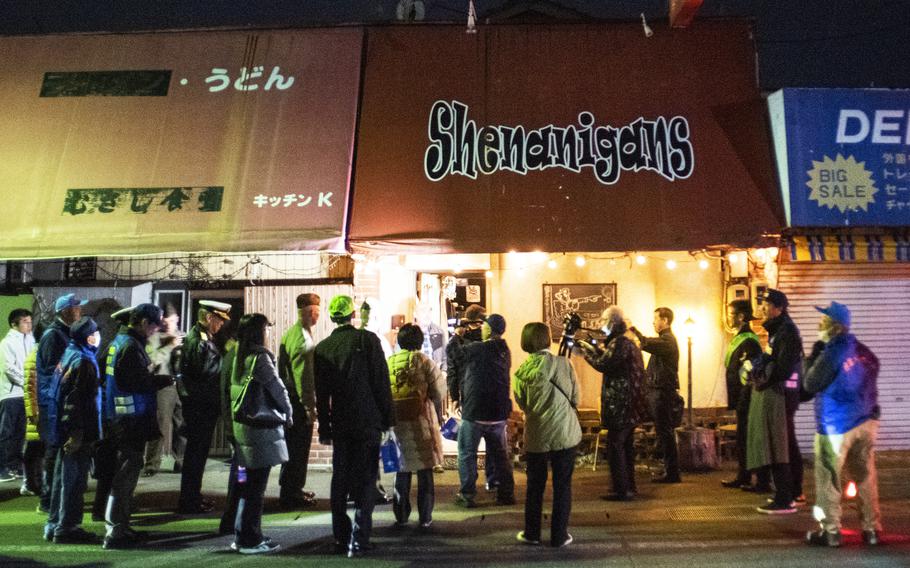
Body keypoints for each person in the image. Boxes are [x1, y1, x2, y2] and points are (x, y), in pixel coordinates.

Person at [314, 295, 394, 558]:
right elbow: (381, 383)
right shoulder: (367, 341)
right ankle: (360, 537)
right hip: (368, 420)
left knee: (340, 477)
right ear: (353, 315)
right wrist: (388, 420)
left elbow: (321, 394)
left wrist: (325, 427)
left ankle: (341, 535)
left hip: (341, 422)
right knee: (366, 478)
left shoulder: (323, 348)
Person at [803, 302, 882, 547]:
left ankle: (831, 531)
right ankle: (871, 530)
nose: (819, 325)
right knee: (865, 476)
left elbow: (810, 383)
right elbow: (874, 368)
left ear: (836, 327)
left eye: (823, 321)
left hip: (836, 425)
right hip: (865, 421)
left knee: (829, 477)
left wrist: (814, 355)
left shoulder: (832, 351)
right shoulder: (862, 351)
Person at [102, 304, 174, 549]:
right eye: (155, 324)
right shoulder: (130, 347)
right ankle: (115, 531)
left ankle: (120, 525)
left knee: (126, 473)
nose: (156, 330)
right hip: (129, 420)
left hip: (122, 418)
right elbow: (137, 381)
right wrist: (162, 379)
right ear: (144, 322)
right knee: (125, 475)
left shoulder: (118, 342)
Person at [514, 322, 582, 548]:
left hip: (537, 435)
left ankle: (532, 533)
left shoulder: (521, 372)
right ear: (547, 339)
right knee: (563, 485)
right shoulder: (564, 364)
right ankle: (559, 535)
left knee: (535, 485)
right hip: (564, 432)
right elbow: (575, 398)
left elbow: (523, 405)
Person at [229, 314, 292, 554]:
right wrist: (289, 412)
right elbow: (277, 388)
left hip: (241, 432)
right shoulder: (260, 359)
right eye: (267, 329)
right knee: (256, 487)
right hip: (259, 435)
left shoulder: (234, 356)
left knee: (244, 485)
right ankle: (251, 539)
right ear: (259, 332)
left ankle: (242, 533)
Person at [44, 317, 102, 544]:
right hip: (77, 432)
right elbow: (76, 401)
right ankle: (68, 527)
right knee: (74, 480)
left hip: (61, 429)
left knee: (61, 478)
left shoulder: (69, 355)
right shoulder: (84, 361)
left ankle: (54, 523)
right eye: (96, 332)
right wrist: (76, 434)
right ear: (89, 337)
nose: (98, 336)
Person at [746, 288, 803, 514]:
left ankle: (786, 496)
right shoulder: (778, 330)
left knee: (781, 446)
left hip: (783, 396)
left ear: (778, 308)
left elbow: (783, 367)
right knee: (786, 444)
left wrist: (763, 378)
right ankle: (791, 492)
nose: (762, 308)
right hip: (781, 394)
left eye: (766, 304)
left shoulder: (786, 332)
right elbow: (770, 358)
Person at [582, 307, 646, 501]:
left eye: (603, 320)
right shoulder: (627, 343)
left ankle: (621, 489)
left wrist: (586, 353)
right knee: (625, 446)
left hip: (621, 404)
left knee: (615, 446)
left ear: (612, 322)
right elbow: (608, 359)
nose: (600, 323)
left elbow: (604, 364)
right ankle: (629, 486)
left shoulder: (620, 343)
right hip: (631, 404)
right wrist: (595, 350)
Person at [387, 323, 445, 529]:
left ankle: (401, 515)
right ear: (420, 341)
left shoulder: (390, 362)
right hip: (421, 422)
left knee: (402, 470)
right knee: (424, 472)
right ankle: (425, 517)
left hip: (397, 424)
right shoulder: (425, 362)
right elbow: (439, 392)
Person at [455, 313, 515, 508]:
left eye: (484, 326)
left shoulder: (479, 348)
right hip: (498, 413)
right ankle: (506, 492)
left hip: (475, 411)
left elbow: (455, 353)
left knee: (467, 453)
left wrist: (458, 334)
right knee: (500, 455)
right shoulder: (504, 350)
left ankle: (467, 494)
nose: (481, 328)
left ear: (489, 328)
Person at [177, 300, 231, 515]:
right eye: (219, 320)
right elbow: (208, 373)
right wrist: (226, 358)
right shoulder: (200, 342)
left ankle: (193, 497)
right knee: (196, 456)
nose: (221, 326)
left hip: (199, 405)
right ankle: (189, 501)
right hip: (201, 406)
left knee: (197, 455)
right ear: (209, 318)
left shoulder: (202, 339)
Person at [36, 294, 85, 512]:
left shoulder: (66, 334)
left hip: (60, 401)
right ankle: (47, 500)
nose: (80, 311)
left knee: (61, 449)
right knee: (54, 449)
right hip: (53, 403)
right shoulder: (53, 336)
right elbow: (49, 373)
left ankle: (56, 498)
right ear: (65, 311)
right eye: (76, 308)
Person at [277, 293, 321, 509]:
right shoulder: (304, 340)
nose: (318, 317)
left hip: (290, 401)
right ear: (311, 312)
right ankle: (292, 493)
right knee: (298, 449)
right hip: (298, 403)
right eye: (317, 312)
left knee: (292, 448)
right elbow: (305, 379)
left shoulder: (290, 334)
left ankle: (291, 488)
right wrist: (310, 408)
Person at [719, 300, 769, 491]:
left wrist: (743, 396)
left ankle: (756, 478)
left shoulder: (749, 340)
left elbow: (749, 371)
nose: (728, 317)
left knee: (751, 438)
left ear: (741, 316)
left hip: (746, 397)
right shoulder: (739, 337)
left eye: (731, 314)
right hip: (739, 397)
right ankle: (744, 475)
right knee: (743, 438)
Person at [631, 307, 681, 483]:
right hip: (657, 391)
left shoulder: (668, 341)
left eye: (656, 318)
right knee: (663, 432)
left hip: (663, 392)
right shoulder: (664, 340)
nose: (653, 322)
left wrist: (633, 330)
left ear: (665, 320)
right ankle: (669, 470)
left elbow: (645, 342)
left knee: (665, 432)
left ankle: (672, 473)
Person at [143, 308, 185, 477]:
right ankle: (152, 464)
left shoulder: (183, 336)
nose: (169, 325)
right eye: (165, 322)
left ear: (177, 319)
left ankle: (181, 461)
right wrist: (169, 346)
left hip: (181, 385)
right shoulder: (154, 338)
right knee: (160, 425)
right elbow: (152, 362)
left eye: (172, 321)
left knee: (182, 424)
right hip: (163, 386)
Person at [0, 308, 35, 482]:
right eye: (25, 322)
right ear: (14, 324)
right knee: (7, 432)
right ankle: (3, 467)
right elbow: (9, 369)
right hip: (10, 394)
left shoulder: (30, 339)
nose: (29, 325)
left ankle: (14, 464)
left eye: (30, 321)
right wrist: (26, 381)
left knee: (20, 432)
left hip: (25, 393)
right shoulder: (7, 343)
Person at [21, 322, 46, 497]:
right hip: (38, 412)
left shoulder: (39, 355)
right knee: (34, 449)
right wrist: (33, 413)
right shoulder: (36, 356)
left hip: (40, 410)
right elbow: (30, 388)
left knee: (36, 449)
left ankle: (34, 482)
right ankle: (30, 483)